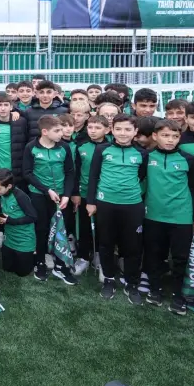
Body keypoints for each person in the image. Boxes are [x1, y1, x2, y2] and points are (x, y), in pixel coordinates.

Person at [142, 119, 194, 315]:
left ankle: (179, 295)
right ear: (155, 136)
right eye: (165, 135)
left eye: (175, 136)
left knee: (180, 258)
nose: (170, 140)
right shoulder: (147, 157)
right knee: (154, 254)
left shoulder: (188, 159)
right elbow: (139, 181)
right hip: (153, 215)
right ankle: (155, 289)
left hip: (181, 217)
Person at [86, 115, 148, 305]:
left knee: (132, 246)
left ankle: (131, 283)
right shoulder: (102, 149)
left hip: (132, 205)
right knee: (106, 243)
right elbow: (93, 176)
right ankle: (109, 279)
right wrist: (91, 201)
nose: (123, 133)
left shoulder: (142, 153)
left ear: (135, 132)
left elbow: (141, 175)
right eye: (118, 129)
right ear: (112, 130)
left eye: (128, 129)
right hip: (105, 203)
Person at [22, 115, 75, 283]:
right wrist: (47, 190)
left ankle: (61, 265)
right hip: (39, 195)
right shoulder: (31, 147)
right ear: (45, 132)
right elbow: (27, 173)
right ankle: (40, 262)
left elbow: (70, 172)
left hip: (61, 197)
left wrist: (66, 195)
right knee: (41, 229)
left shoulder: (64, 147)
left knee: (61, 230)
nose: (62, 133)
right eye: (57, 130)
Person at [72, 115, 110, 277]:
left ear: (107, 130)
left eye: (98, 128)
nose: (93, 131)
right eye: (90, 127)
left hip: (105, 194)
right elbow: (75, 172)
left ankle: (99, 256)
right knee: (85, 226)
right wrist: (75, 192)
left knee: (104, 227)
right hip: (84, 193)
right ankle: (83, 257)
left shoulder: (111, 147)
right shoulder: (81, 147)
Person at [0, 169, 37, 277]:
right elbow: (6, 215)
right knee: (7, 268)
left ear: (9, 186)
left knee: (22, 273)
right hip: (9, 239)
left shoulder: (20, 196)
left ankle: (35, 257)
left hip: (24, 240)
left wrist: (10, 221)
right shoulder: (2, 195)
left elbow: (33, 217)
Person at [0, 93, 28, 186]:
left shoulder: (21, 122)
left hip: (17, 168)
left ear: (11, 107)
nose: (3, 108)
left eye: (6, 105)